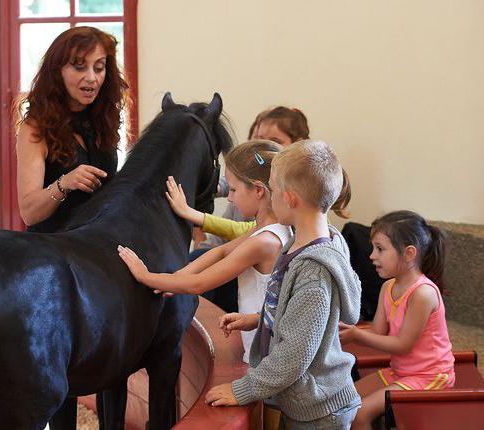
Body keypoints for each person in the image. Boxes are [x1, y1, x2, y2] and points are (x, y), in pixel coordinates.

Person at [205, 139, 362, 430]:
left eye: (273, 190)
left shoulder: (314, 272)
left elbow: (294, 355)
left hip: (318, 411)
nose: (270, 197)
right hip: (310, 401)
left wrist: (243, 390)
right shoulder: (307, 242)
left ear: (289, 198)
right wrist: (257, 319)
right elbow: (303, 318)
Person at [118, 140, 293, 362]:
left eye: (233, 189)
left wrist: (147, 277)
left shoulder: (264, 241)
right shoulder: (268, 229)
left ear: (258, 190)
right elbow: (219, 253)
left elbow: (199, 284)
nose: (229, 198)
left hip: (270, 355)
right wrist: (175, 278)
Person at [338, 210, 454, 430]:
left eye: (380, 249)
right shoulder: (388, 286)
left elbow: (402, 345)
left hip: (430, 376)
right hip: (401, 372)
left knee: (359, 413)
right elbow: (378, 332)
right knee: (343, 399)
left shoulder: (423, 293)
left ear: (409, 253)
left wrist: (356, 335)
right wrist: (345, 332)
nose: (372, 256)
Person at [190, 106, 311, 312]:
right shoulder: (246, 195)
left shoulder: (293, 202)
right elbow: (220, 245)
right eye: (260, 137)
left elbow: (240, 236)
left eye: (276, 140)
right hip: (233, 265)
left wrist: (196, 217)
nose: (265, 146)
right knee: (197, 259)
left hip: (248, 276)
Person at [15, 26, 128, 233]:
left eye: (99, 68)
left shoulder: (104, 118)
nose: (92, 78)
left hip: (97, 241)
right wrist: (65, 183)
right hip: (53, 248)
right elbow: (29, 213)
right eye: (79, 67)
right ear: (57, 72)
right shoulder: (34, 129)